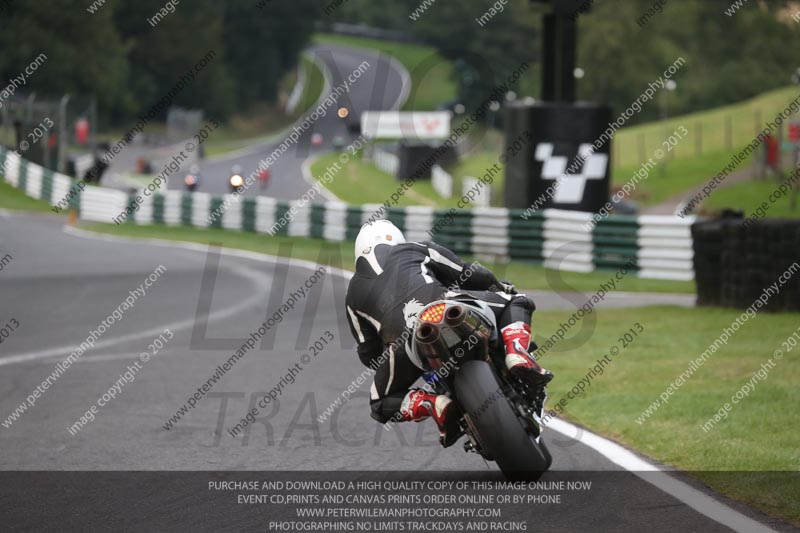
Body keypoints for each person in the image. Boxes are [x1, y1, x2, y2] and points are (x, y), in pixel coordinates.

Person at [345, 220, 553, 447]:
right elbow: (469, 273)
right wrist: (499, 287)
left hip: (405, 343)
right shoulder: (415, 248)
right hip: (445, 306)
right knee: (518, 301)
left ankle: (432, 403)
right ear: (396, 238)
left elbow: (368, 353)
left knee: (379, 402)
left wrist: (392, 360)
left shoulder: (352, 295)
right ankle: (516, 352)